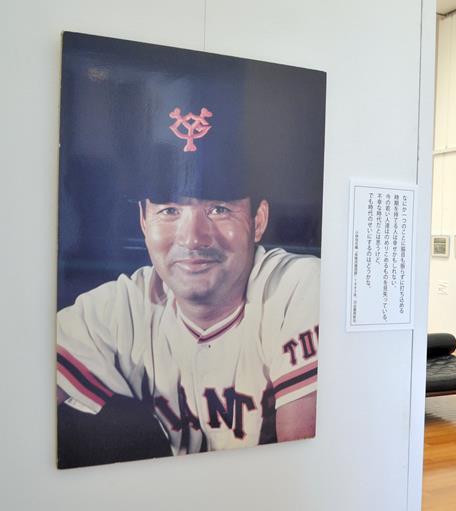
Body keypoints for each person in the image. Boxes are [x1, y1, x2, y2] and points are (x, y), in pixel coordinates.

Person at [56, 33, 324, 468]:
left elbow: (301, 467)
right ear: (143, 221)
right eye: (169, 210)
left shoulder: (294, 287)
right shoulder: (131, 302)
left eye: (218, 208)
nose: (193, 237)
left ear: (258, 220)